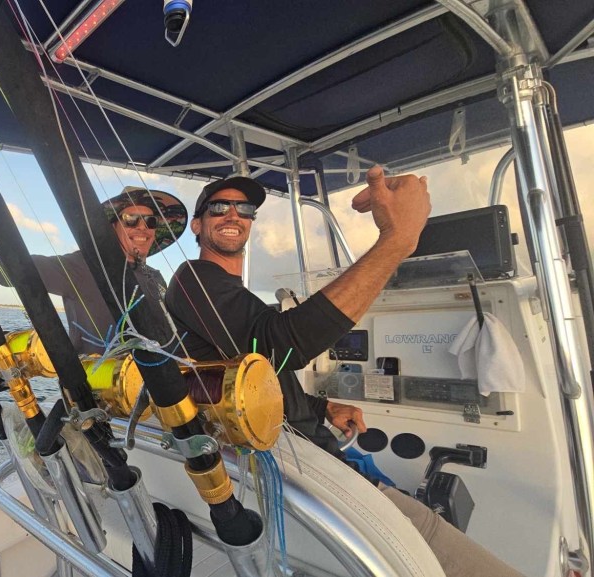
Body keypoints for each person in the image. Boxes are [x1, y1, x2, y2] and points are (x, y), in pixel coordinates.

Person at [166, 166, 525, 577]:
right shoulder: (195, 278)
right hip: (301, 469)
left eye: (243, 208)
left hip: (313, 452)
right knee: (437, 539)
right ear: (197, 224)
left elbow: (264, 375)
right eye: (219, 207)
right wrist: (397, 241)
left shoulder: (227, 292)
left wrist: (321, 408)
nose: (233, 214)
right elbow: (279, 348)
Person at [0, 185, 187, 354]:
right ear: (110, 228)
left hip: (166, 401)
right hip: (113, 406)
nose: (143, 228)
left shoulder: (156, 278)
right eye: (132, 218)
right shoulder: (83, 266)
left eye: (150, 222)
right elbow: (13, 269)